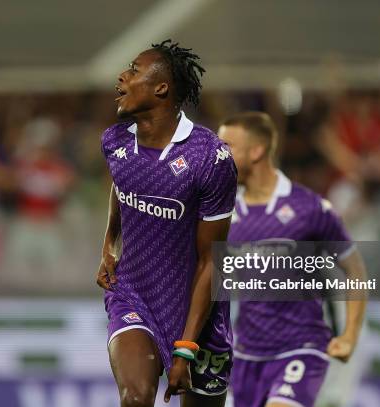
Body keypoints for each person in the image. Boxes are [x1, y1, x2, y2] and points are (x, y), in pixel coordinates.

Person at [96, 40, 237, 407]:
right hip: (135, 293)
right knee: (135, 397)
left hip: (198, 312)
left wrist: (187, 348)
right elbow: (121, 185)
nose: (121, 78)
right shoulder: (114, 142)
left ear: (161, 88)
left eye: (133, 70)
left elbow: (212, 260)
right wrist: (110, 243)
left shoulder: (210, 158)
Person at [218, 112, 366, 407]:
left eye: (227, 146)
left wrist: (349, 334)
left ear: (257, 151)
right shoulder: (222, 211)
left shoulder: (309, 209)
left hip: (302, 348)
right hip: (246, 354)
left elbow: (355, 271)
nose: (218, 155)